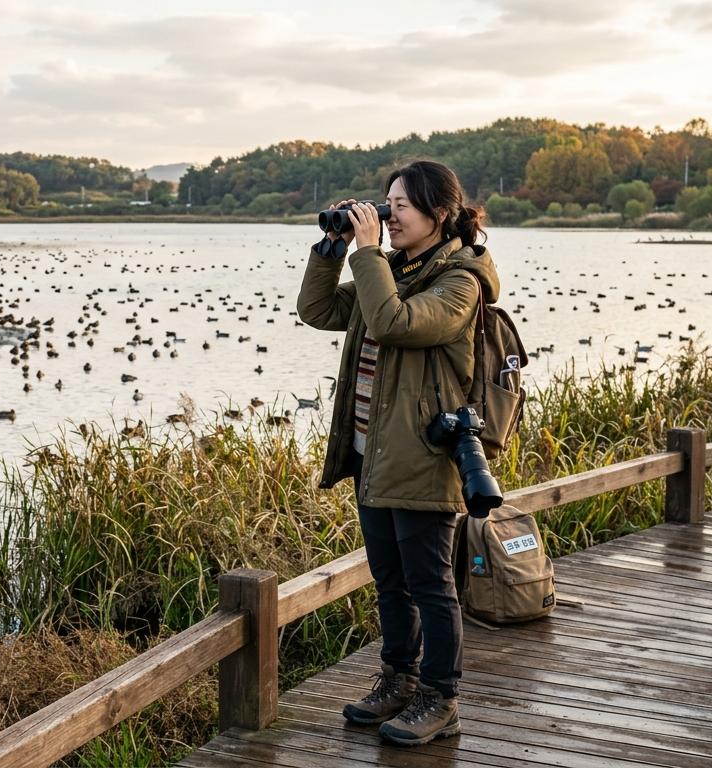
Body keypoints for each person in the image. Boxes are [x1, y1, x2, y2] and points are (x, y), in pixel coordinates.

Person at [295, 159, 499, 746]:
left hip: (424, 456)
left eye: (400, 206)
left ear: (440, 214)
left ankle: (442, 699)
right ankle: (397, 681)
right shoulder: (395, 270)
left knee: (431, 585)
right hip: (373, 454)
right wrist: (333, 248)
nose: (389, 216)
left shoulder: (460, 281)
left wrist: (367, 252)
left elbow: (392, 322)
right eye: (386, 204)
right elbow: (318, 311)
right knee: (390, 582)